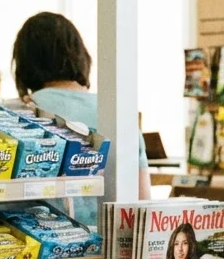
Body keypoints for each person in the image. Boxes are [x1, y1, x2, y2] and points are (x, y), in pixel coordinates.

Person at [10, 12, 151, 209]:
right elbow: (143, 203)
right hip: (113, 236)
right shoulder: (120, 115)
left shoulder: (14, 113)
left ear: (24, 64)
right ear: (81, 56)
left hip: (38, 235)